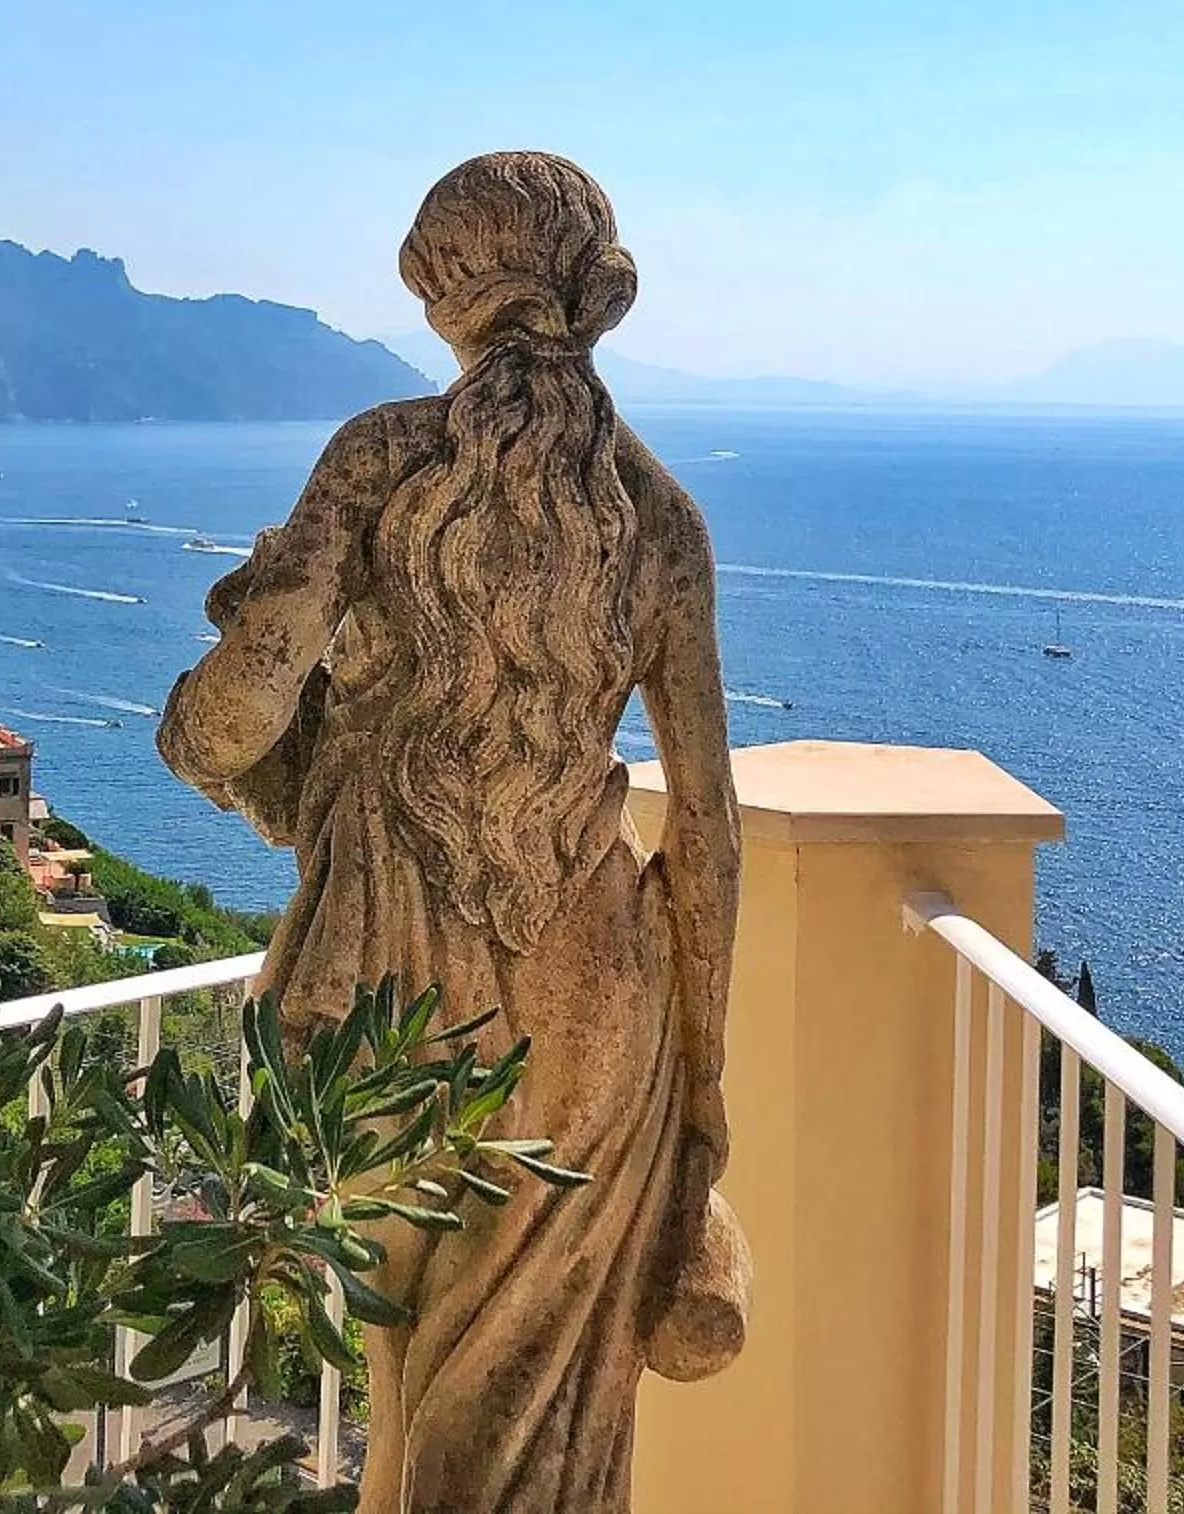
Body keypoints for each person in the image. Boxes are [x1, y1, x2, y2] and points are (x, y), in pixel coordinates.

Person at [160, 151, 747, 1514]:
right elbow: (707, 835)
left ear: (441, 293)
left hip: (387, 962)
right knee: (543, 1410)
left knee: (412, 1376)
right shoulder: (666, 524)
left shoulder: (381, 459)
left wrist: (191, 726)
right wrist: (702, 1094)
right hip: (596, 995)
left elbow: (240, 716)